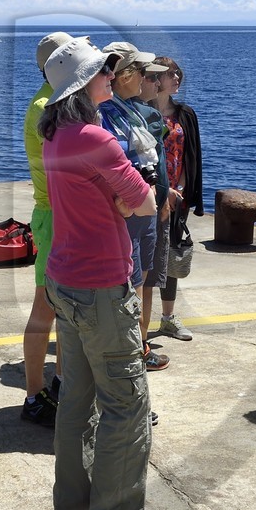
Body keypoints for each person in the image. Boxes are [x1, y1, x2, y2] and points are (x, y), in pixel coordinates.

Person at [40, 38, 168, 510]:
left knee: (76, 398)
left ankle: (73, 507)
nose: (110, 80)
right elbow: (145, 201)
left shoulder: (57, 135)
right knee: (127, 404)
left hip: (64, 279)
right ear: (83, 86)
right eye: (102, 75)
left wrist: (120, 196)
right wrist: (126, 195)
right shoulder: (96, 137)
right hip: (100, 285)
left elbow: (125, 198)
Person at [97, 41, 169, 372]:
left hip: (143, 213)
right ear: (124, 75)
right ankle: (126, 356)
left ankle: (139, 347)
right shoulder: (106, 115)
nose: (146, 77)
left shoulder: (131, 109)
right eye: (140, 71)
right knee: (127, 286)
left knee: (139, 282)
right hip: (125, 215)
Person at [19, 31, 74, 427]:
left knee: (65, 313)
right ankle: (34, 395)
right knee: (46, 310)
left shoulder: (56, 101)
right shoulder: (47, 106)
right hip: (55, 217)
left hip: (60, 215)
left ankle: (58, 386)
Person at [143, 57, 205, 342]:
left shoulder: (185, 114)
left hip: (177, 196)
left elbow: (192, 156)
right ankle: (138, 321)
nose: (177, 78)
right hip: (148, 193)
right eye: (170, 74)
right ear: (156, 78)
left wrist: (181, 189)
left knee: (172, 254)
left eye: (178, 73)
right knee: (144, 259)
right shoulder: (142, 112)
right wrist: (161, 188)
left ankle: (168, 317)